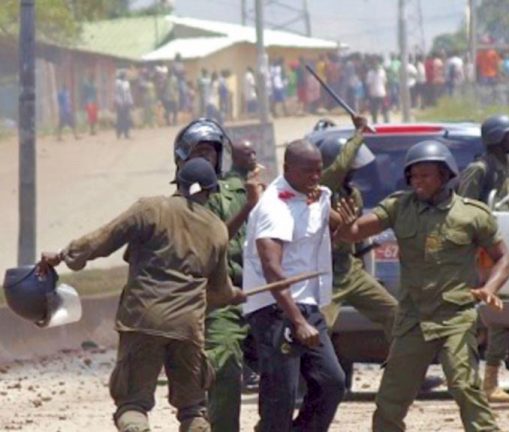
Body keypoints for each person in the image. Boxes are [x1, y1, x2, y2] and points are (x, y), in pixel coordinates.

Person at [37, 157, 246, 432]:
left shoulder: (151, 209)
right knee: (193, 410)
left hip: (143, 320)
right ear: (211, 190)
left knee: (132, 405)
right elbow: (218, 291)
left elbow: (103, 239)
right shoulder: (217, 229)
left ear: (179, 182)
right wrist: (233, 295)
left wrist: (65, 256)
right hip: (187, 328)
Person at [336, 140, 509, 431]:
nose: (417, 182)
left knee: (464, 385)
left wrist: (489, 289)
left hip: (455, 316)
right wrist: (344, 226)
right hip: (413, 319)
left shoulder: (472, 214)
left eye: (425, 175)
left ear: (444, 176)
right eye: (413, 176)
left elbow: (503, 258)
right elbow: (355, 232)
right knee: (392, 397)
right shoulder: (398, 207)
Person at [242, 140, 347, 432]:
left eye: (319, 170)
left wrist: (346, 226)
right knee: (281, 393)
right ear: (287, 169)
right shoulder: (273, 207)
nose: (315, 177)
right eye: (307, 171)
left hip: (308, 303)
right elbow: (272, 269)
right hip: (276, 308)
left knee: (332, 382)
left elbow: (337, 225)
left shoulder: (316, 196)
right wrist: (297, 321)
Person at [172, 119, 264, 432]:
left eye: (211, 151)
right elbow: (210, 240)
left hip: (258, 292)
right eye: (199, 151)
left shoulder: (238, 189)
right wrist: (248, 209)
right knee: (224, 365)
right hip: (217, 301)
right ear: (183, 156)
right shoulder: (183, 202)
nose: (207, 158)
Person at [456, 114, 509, 403]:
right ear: (497, 138)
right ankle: (487, 381)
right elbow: (464, 211)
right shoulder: (479, 169)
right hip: (485, 250)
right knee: (495, 313)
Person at [318, 116, 398, 344]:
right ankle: (312, 377)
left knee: (394, 313)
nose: (353, 172)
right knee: (320, 328)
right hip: (326, 272)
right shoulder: (320, 189)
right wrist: (359, 133)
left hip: (350, 269)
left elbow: (357, 235)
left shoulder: (353, 195)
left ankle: (403, 371)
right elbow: (340, 165)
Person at [366, 56, 389, 124]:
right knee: (376, 109)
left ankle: (384, 121)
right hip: (376, 94)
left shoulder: (380, 72)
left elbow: (385, 82)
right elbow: (369, 84)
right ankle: (377, 121)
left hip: (380, 93)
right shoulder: (371, 73)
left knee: (382, 108)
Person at [114, 71, 133, 139]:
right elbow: (117, 94)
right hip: (120, 104)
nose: (126, 77)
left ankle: (126, 133)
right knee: (120, 119)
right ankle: (119, 133)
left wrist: (130, 102)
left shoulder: (126, 83)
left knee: (126, 119)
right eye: (125, 75)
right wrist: (120, 102)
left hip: (126, 104)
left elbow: (128, 93)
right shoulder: (117, 83)